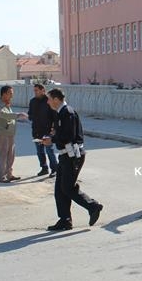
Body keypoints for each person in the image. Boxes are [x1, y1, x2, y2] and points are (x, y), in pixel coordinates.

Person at [42, 88, 102, 231]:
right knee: (59, 189)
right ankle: (65, 220)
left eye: (49, 99)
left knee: (68, 187)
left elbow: (68, 136)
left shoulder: (67, 112)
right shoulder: (61, 113)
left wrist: (53, 139)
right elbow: (63, 132)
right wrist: (54, 134)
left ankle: (93, 206)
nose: (48, 102)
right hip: (65, 155)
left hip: (73, 156)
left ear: (56, 99)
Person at [0, 85, 27, 183]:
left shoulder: (5, 104)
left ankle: (9, 174)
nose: (12, 96)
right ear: (4, 94)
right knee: (3, 155)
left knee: (11, 155)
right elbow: (5, 115)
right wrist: (18, 115)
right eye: (10, 93)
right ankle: (1, 176)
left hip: (10, 134)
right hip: (3, 134)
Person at [28, 83, 58, 177]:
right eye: (34, 90)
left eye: (37, 90)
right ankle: (44, 168)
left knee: (49, 151)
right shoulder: (32, 101)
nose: (35, 92)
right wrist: (29, 117)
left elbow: (55, 116)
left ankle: (54, 169)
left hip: (47, 131)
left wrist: (54, 129)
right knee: (39, 151)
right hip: (36, 131)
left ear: (43, 90)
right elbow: (30, 114)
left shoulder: (49, 101)